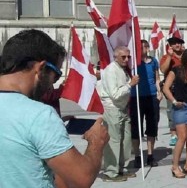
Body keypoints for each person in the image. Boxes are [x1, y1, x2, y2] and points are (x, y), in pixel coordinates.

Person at [0, 29, 109, 188]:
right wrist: (96, 141)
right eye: (56, 75)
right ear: (40, 68)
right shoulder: (40, 115)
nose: (52, 85)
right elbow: (81, 179)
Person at [97, 46, 140, 182]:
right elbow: (114, 94)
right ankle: (110, 172)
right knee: (114, 140)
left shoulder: (123, 70)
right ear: (116, 57)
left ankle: (121, 168)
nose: (126, 59)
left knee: (126, 140)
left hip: (123, 108)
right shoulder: (110, 70)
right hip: (112, 108)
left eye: (128, 57)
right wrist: (130, 84)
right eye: (123, 57)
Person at [163, 48, 187, 178]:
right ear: (185, 59)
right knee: (182, 137)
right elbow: (166, 88)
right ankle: (175, 166)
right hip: (181, 107)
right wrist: (174, 101)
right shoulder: (176, 71)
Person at [130, 40, 160, 167]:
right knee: (136, 127)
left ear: (147, 48)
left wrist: (159, 92)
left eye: (143, 47)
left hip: (151, 96)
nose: (141, 49)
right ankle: (137, 156)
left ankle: (150, 155)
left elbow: (157, 78)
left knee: (152, 126)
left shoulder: (153, 61)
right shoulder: (133, 63)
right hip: (136, 97)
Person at [160, 36, 185, 146]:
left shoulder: (185, 56)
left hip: (185, 88)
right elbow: (163, 70)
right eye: (175, 43)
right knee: (172, 111)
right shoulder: (166, 57)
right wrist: (170, 57)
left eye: (179, 43)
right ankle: (174, 135)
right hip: (172, 89)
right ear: (170, 46)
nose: (177, 45)